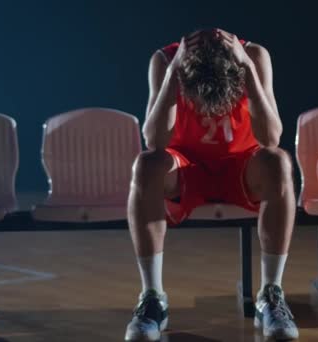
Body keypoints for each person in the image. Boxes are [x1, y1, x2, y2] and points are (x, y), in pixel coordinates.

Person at [124, 28, 299, 341]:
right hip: (187, 167)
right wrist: (173, 72)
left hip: (240, 167)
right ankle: (152, 299)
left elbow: (271, 137)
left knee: (278, 161)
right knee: (146, 165)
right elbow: (153, 140)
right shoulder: (164, 60)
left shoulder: (255, 56)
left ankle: (271, 295)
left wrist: (247, 68)